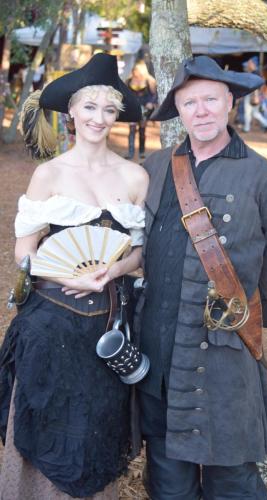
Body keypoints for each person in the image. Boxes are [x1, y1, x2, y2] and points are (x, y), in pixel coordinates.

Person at [136, 55, 267, 499]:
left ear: (230, 101)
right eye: (190, 103)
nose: (202, 110)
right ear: (179, 110)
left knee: (232, 478)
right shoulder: (155, 168)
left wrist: (239, 308)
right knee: (168, 478)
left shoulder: (261, 175)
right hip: (158, 347)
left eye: (211, 98)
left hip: (224, 352)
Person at [0, 53, 149, 499]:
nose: (98, 119)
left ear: (117, 116)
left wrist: (116, 268)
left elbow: (140, 252)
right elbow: (24, 253)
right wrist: (61, 272)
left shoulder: (135, 176)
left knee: (96, 426)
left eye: (108, 109)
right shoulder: (48, 175)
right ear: (71, 113)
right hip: (49, 322)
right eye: (89, 107)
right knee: (45, 419)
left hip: (109, 323)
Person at [125, 60, 157, 160]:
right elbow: (125, 94)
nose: (135, 73)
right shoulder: (129, 81)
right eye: (134, 70)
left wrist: (151, 103)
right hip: (133, 108)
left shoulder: (149, 81)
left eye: (137, 71)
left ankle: (142, 152)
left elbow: (155, 95)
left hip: (144, 109)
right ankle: (130, 153)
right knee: (132, 129)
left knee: (142, 130)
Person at [242, 57, 267, 133]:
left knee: (248, 112)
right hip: (255, 94)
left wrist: (256, 96)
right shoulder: (256, 72)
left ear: (253, 64)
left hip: (252, 94)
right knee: (255, 113)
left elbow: (256, 86)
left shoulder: (255, 73)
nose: (248, 64)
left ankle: (246, 128)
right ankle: (266, 124)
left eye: (250, 63)